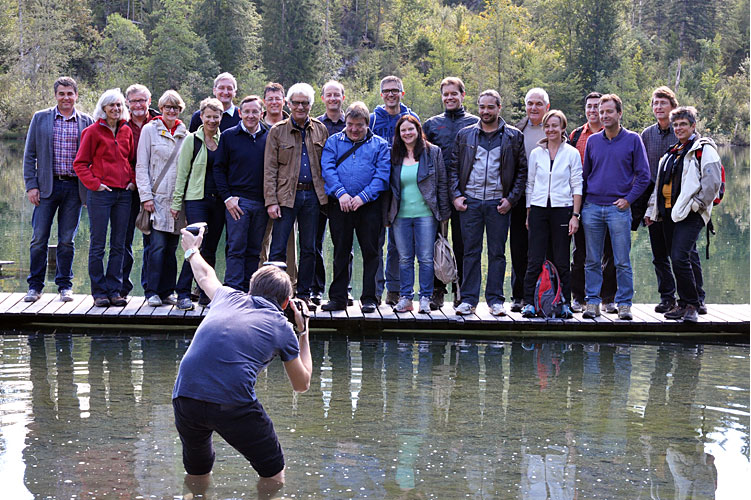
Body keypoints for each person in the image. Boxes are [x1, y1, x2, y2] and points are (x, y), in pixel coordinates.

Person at [173, 226, 312, 497]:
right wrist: (304, 332)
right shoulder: (281, 327)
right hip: (230, 403)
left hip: (185, 397)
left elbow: (204, 275)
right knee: (274, 474)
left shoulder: (227, 297)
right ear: (286, 303)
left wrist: (191, 249)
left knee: (197, 472)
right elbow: (301, 384)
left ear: (251, 289)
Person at [448, 89, 526, 316]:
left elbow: (522, 172)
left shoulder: (513, 136)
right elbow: (453, 168)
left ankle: (495, 300)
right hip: (470, 202)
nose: (485, 111)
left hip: (497, 204)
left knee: (497, 253)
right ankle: (469, 300)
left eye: (490, 107)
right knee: (470, 252)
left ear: (499, 108)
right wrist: (456, 196)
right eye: (482, 107)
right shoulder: (465, 135)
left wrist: (511, 200)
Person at [645, 106, 722, 322]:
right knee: (677, 257)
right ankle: (684, 302)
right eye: (676, 125)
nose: (679, 128)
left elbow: (712, 182)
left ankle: (692, 305)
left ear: (693, 126)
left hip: (691, 213)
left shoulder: (703, 149)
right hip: (669, 213)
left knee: (679, 257)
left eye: (683, 124)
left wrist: (697, 205)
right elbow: (659, 185)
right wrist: (653, 210)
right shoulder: (672, 152)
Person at [22, 76, 93, 303]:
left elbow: (93, 159)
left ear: (76, 96)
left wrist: (89, 189)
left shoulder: (87, 121)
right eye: (61, 93)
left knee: (66, 240)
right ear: (55, 96)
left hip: (74, 188)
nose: (66, 98)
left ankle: (65, 286)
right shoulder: (41, 118)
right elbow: (29, 155)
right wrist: (31, 186)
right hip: (46, 188)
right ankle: (35, 286)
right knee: (39, 238)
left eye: (69, 93)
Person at [581, 94, 650, 320]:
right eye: (602, 112)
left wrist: (628, 199)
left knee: (622, 261)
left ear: (619, 113)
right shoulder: (593, 141)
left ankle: (624, 304)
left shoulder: (632, 140)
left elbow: (644, 176)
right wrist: (580, 208)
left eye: (609, 111)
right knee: (592, 260)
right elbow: (585, 175)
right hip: (592, 207)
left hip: (618, 209)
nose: (604, 116)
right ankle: (592, 303)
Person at [320, 102, 391, 313]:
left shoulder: (379, 145)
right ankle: (338, 297)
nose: (354, 129)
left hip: (368, 206)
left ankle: (370, 297)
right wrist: (341, 193)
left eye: (359, 125)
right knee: (341, 251)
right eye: (350, 124)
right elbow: (328, 168)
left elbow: (382, 175)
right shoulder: (333, 142)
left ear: (367, 124)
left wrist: (363, 197)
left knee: (371, 252)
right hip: (339, 204)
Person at [640, 87, 706, 314]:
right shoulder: (647, 134)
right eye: (655, 104)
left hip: (686, 205)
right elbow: (644, 171)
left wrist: (697, 205)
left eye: (663, 104)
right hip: (657, 201)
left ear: (672, 107)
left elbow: (708, 179)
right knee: (660, 253)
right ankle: (668, 298)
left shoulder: (689, 138)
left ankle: (696, 299)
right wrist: (648, 207)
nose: (658, 108)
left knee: (686, 254)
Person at [264, 83, 329, 309]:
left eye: (305, 103)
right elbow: (270, 169)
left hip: (312, 196)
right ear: (289, 104)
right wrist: (271, 201)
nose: (300, 107)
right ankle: (275, 295)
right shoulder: (277, 131)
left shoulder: (320, 129)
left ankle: (304, 294)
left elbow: (326, 166)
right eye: (296, 103)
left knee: (309, 247)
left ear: (311, 105)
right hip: (285, 197)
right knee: (278, 247)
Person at [73, 88, 136, 307]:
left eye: (119, 105)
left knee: (119, 244)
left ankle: (114, 290)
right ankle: (99, 292)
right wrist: (95, 185)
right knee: (98, 244)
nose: (116, 109)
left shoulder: (126, 131)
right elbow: (80, 164)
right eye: (112, 105)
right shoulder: (92, 131)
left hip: (123, 194)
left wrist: (132, 182)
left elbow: (133, 161)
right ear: (104, 108)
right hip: (101, 194)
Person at [423, 77, 479, 309]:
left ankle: (462, 291)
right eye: (445, 94)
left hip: (466, 193)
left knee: (464, 244)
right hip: (436, 193)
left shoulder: (475, 123)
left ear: (463, 95)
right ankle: (437, 291)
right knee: (434, 243)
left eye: (454, 94)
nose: (449, 98)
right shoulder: (431, 124)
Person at [385, 115, 450, 313]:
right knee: (404, 258)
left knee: (425, 258)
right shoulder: (393, 155)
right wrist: (387, 215)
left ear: (418, 130)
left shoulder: (433, 152)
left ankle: (425, 297)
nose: (407, 133)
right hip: (401, 215)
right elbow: (389, 188)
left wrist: (444, 213)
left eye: (410, 129)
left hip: (426, 214)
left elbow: (441, 183)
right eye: (403, 130)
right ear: (399, 134)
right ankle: (406, 298)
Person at [521, 110, 582, 318]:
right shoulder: (537, 153)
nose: (550, 130)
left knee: (562, 259)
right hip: (538, 209)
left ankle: (563, 302)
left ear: (563, 128)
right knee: (534, 258)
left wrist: (575, 215)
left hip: (562, 210)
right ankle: (529, 302)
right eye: (547, 126)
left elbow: (577, 185)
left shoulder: (571, 153)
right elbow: (530, 184)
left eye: (555, 126)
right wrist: (529, 212)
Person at [370, 75, 420, 306]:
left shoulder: (411, 118)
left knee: (397, 245)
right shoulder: (372, 120)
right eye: (387, 91)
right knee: (375, 241)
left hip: (403, 188)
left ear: (402, 93)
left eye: (395, 90)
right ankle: (374, 290)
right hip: (378, 188)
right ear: (381, 94)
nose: (391, 94)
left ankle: (395, 289)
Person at [135, 90, 188, 307]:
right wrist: (146, 196)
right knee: (156, 247)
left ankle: (168, 291)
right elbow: (141, 165)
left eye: (175, 108)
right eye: (168, 107)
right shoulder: (149, 130)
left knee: (171, 249)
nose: (171, 111)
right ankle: (151, 291)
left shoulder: (185, 134)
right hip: (155, 198)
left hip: (176, 201)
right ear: (161, 108)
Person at [171, 98, 225, 310]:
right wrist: (177, 203)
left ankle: (205, 293)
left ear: (221, 117)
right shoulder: (191, 140)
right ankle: (183, 292)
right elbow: (182, 174)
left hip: (218, 202)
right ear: (201, 117)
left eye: (216, 116)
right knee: (194, 247)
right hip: (196, 201)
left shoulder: (224, 141)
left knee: (211, 249)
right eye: (208, 116)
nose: (212, 120)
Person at [213, 95, 269, 292]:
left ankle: (248, 291)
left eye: (255, 112)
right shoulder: (229, 136)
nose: (251, 115)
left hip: (262, 203)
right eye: (247, 112)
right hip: (238, 203)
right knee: (236, 248)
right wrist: (227, 198)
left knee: (255, 251)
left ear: (262, 114)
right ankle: (233, 291)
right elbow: (218, 169)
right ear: (240, 113)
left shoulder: (269, 135)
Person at [568, 92, 617, 313]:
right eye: (589, 106)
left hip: (607, 201)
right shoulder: (577, 135)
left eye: (597, 107)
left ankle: (608, 299)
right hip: (580, 202)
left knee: (609, 252)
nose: (593, 111)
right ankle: (578, 297)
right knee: (580, 252)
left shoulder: (612, 134)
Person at [512, 88, 550, 312]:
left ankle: (544, 293)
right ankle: (519, 296)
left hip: (546, 199)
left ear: (547, 106)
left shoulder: (555, 129)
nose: (533, 108)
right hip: (519, 197)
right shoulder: (517, 130)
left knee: (542, 249)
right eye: (529, 103)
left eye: (538, 103)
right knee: (518, 248)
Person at [313, 80, 350, 305]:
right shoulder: (315, 125)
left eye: (337, 95)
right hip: (319, 193)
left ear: (343, 97)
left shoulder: (354, 122)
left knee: (344, 245)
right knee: (314, 242)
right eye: (329, 95)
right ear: (323, 98)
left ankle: (344, 288)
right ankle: (317, 289)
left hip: (344, 195)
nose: (333, 98)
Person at [122, 84, 160, 298]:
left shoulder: (159, 123)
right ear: (128, 102)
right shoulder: (118, 122)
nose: (138, 105)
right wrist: (131, 180)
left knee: (152, 240)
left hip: (153, 190)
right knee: (123, 239)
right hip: (127, 188)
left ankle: (150, 289)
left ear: (149, 101)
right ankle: (122, 289)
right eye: (134, 101)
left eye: (142, 100)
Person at [260, 81, 296, 286]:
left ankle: (290, 285)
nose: (274, 102)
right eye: (270, 99)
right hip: (259, 192)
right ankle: (259, 284)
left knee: (287, 244)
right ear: (265, 102)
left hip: (286, 195)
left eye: (278, 99)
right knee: (260, 242)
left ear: (284, 101)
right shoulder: (256, 124)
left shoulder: (292, 125)